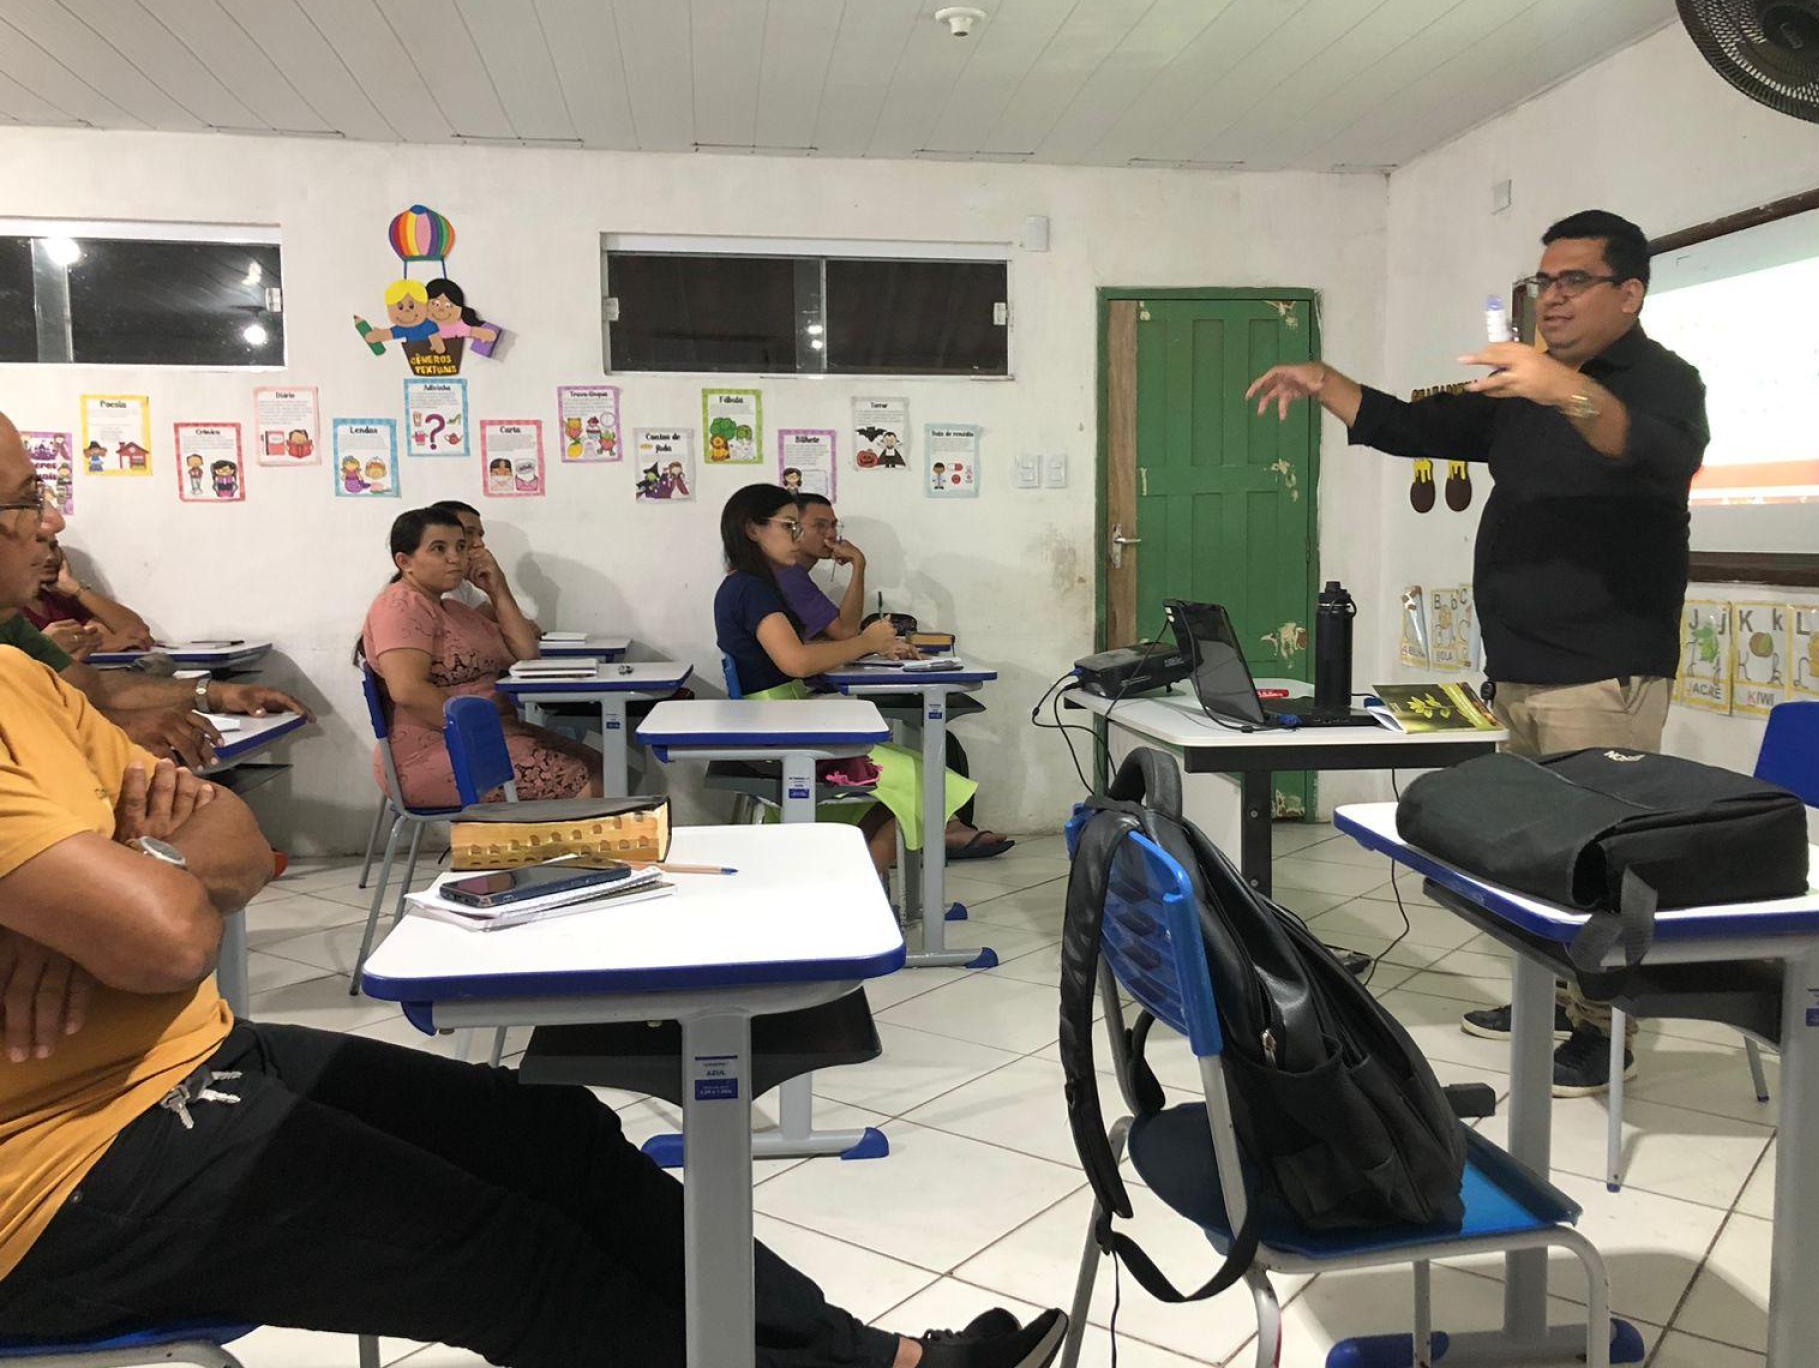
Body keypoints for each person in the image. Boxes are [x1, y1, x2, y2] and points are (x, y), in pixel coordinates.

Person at [0, 435, 1067, 1368]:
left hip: (188, 1057)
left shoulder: (28, 676)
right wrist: (136, 876)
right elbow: (170, 936)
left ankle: (880, 1359)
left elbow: (239, 848)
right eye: (22, 499)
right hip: (55, 1169)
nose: (51, 523)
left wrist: (120, 874)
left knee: (562, 1131)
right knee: (517, 1257)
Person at [1244, 209, 1708, 1095]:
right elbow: (1410, 427)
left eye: (1574, 281)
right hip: (1520, 664)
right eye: (1544, 281)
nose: (1553, 298)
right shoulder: (1524, 390)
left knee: (1599, 857)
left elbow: (1653, 452)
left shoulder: (1662, 382)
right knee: (1535, 855)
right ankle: (1550, 998)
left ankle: (1603, 1030)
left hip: (1603, 668)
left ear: (1629, 293)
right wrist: (1324, 380)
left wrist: (1562, 389)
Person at [716, 485, 1000, 876]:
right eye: (789, 527)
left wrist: (865, 645)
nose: (798, 538)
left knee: (918, 780)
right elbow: (796, 660)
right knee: (925, 781)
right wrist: (866, 642)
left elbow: (804, 649)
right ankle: (853, 895)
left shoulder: (751, 585)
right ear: (752, 529)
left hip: (785, 721)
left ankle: (851, 886)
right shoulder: (751, 589)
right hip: (784, 733)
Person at [0, 436, 311, 770]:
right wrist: (112, 728)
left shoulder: (9, 619)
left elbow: (93, 686)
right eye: (26, 500)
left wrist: (214, 693)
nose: (52, 523)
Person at [781, 492, 1007, 855]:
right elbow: (844, 632)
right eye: (818, 526)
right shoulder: (786, 578)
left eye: (834, 526)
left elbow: (831, 638)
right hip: (798, 718)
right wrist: (859, 566)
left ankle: (936, 831)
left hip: (804, 708)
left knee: (932, 752)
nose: (830, 535)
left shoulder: (792, 579)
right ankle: (942, 830)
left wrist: (872, 645)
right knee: (927, 763)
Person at [358, 507, 598, 807]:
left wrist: (498, 589)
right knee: (583, 781)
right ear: (404, 562)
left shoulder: (454, 610)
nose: (455, 558)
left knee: (599, 766)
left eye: (460, 547)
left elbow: (526, 654)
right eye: (439, 549)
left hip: (489, 734)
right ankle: (537, 841)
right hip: (434, 751)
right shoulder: (400, 606)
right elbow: (408, 690)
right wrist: (483, 736)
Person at [22, 513, 153, 657]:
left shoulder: (57, 601)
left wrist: (74, 587)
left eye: (53, 547)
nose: (50, 557)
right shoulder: (9, 609)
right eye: (38, 548)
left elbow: (138, 633)